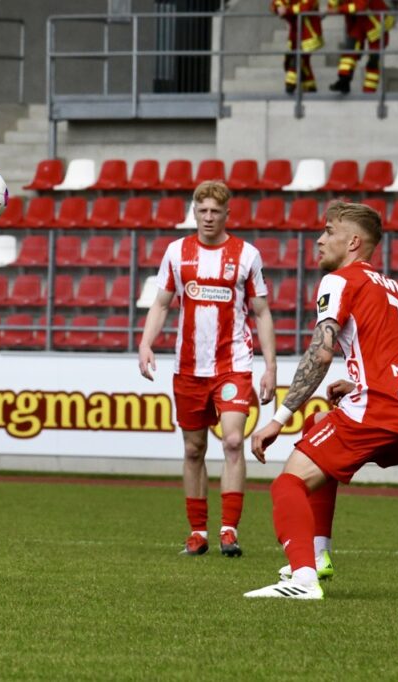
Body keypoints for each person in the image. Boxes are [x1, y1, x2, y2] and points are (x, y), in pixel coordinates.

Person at [245, 200, 398, 600]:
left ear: (353, 241)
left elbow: (319, 353)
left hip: (379, 409)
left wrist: (277, 419)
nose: (320, 240)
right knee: (318, 428)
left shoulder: (340, 281)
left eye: (329, 231)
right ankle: (318, 556)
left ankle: (302, 579)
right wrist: (359, 384)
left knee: (287, 484)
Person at [139, 180, 277, 558]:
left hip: (233, 364)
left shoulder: (247, 255)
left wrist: (270, 366)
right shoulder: (176, 252)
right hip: (189, 367)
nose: (208, 218)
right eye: (202, 211)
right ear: (194, 212)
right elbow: (162, 304)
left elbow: (262, 312)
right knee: (194, 448)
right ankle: (197, 532)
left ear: (227, 213)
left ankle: (229, 530)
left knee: (233, 441)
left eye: (216, 211)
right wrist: (146, 343)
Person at [328, 0, 395, 94]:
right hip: (359, 21)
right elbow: (331, 8)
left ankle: (369, 92)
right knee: (349, 51)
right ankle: (344, 81)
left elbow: (361, 5)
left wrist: (339, 9)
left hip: (376, 23)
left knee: (373, 61)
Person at [272, 0, 324, 94]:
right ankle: (310, 86)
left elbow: (306, 6)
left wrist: (287, 10)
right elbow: (277, 3)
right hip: (296, 32)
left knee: (298, 57)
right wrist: (279, 7)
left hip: (309, 32)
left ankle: (290, 82)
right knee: (304, 60)